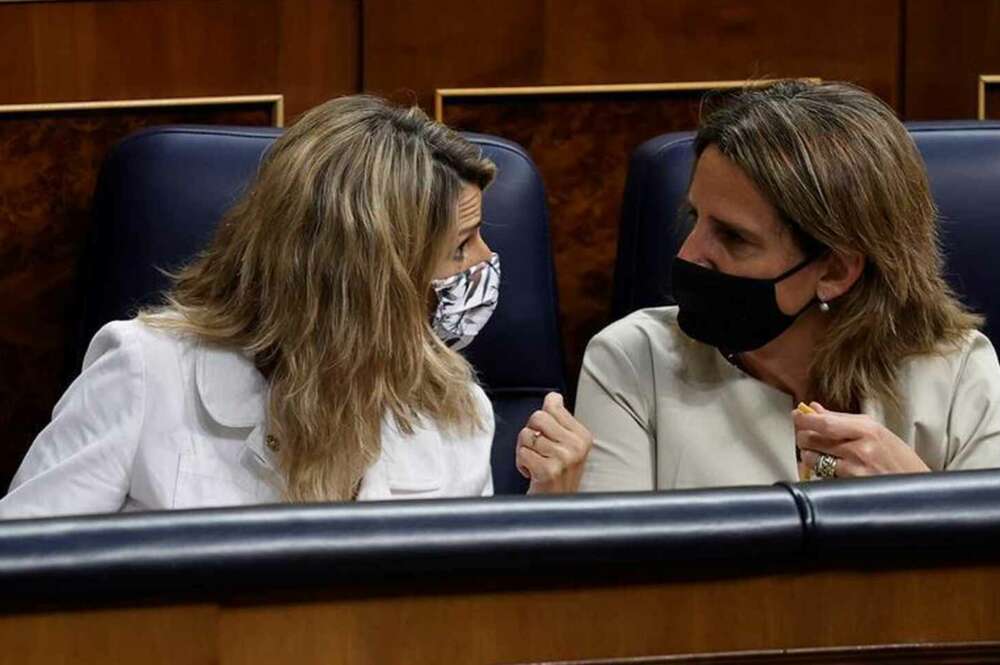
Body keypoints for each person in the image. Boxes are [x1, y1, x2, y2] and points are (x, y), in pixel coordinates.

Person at [1, 95, 590, 518]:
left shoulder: (455, 407)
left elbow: (456, 621)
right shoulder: (144, 373)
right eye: (461, 246)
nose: (485, 263)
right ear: (367, 281)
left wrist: (544, 516)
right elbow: (27, 582)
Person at [576, 80, 1000, 491]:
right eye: (694, 217)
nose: (688, 255)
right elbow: (612, 562)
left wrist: (919, 502)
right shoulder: (633, 362)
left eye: (733, 237)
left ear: (834, 271)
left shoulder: (958, 373)